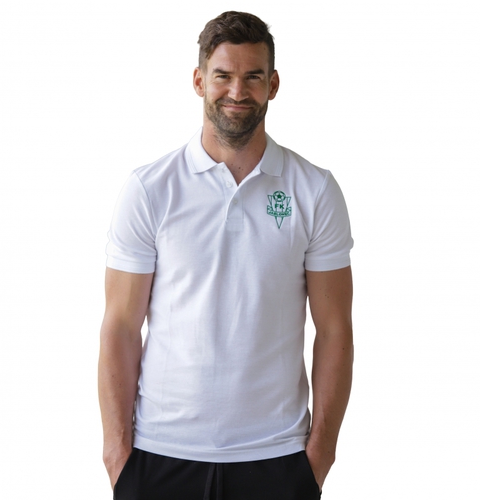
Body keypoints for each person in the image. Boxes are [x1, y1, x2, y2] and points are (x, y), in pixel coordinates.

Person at [98, 11, 354, 500]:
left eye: (253, 77)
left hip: (277, 458)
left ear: (273, 85)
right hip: (160, 455)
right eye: (223, 76)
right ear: (199, 81)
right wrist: (117, 457)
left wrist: (319, 457)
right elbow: (121, 327)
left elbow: (335, 328)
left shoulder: (314, 190)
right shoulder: (150, 190)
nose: (238, 91)